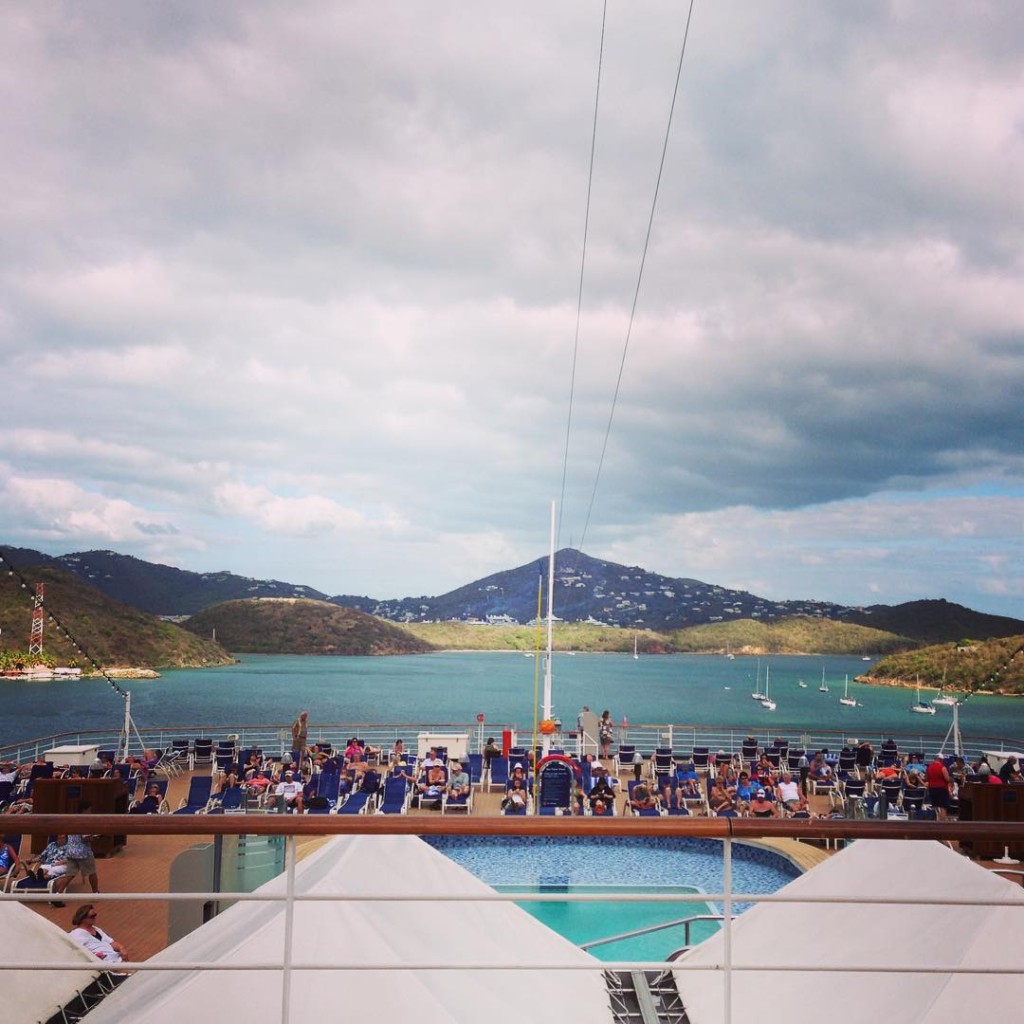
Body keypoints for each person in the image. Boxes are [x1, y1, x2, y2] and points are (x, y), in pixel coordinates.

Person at [70, 904, 128, 971]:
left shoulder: (96, 929)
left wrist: (122, 948)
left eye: (95, 915)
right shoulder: (77, 934)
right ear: (83, 918)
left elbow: (112, 943)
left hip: (118, 960)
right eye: (92, 916)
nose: (94, 918)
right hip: (109, 967)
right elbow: (76, 953)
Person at [64, 803, 100, 894]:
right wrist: (94, 837)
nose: (91, 813)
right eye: (89, 810)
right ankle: (95, 893)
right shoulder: (84, 822)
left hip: (71, 852)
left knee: (69, 876)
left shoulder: (72, 820)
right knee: (92, 873)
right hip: (83, 853)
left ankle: (57, 894)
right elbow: (85, 838)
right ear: (84, 810)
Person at [925, 753, 953, 821]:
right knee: (943, 807)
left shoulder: (928, 768)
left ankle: (935, 822)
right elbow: (947, 779)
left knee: (935, 807)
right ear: (940, 759)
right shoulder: (942, 768)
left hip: (932, 789)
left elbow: (926, 778)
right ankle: (942, 824)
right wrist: (952, 779)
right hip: (942, 789)